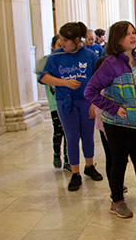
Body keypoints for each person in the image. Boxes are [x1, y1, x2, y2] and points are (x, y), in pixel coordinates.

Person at [84, 21, 136, 220]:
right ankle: (117, 201)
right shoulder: (109, 63)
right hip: (116, 123)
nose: (133, 36)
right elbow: (90, 91)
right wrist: (113, 108)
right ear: (117, 39)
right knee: (119, 162)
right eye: (127, 34)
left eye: (133, 33)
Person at [40, 22, 103, 191]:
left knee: (88, 135)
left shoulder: (90, 56)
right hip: (65, 102)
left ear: (76, 40)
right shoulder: (55, 56)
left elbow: (98, 79)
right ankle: (75, 173)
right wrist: (64, 83)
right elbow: (44, 77)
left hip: (86, 101)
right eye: (60, 39)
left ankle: (89, 166)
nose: (61, 43)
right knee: (72, 136)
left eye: (65, 40)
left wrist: (94, 102)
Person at [37, 35, 70, 173]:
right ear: (53, 47)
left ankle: (68, 160)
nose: (61, 47)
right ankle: (57, 153)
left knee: (69, 132)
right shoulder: (47, 61)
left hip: (69, 102)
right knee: (58, 130)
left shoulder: (69, 60)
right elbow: (42, 76)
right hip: (55, 103)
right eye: (58, 45)